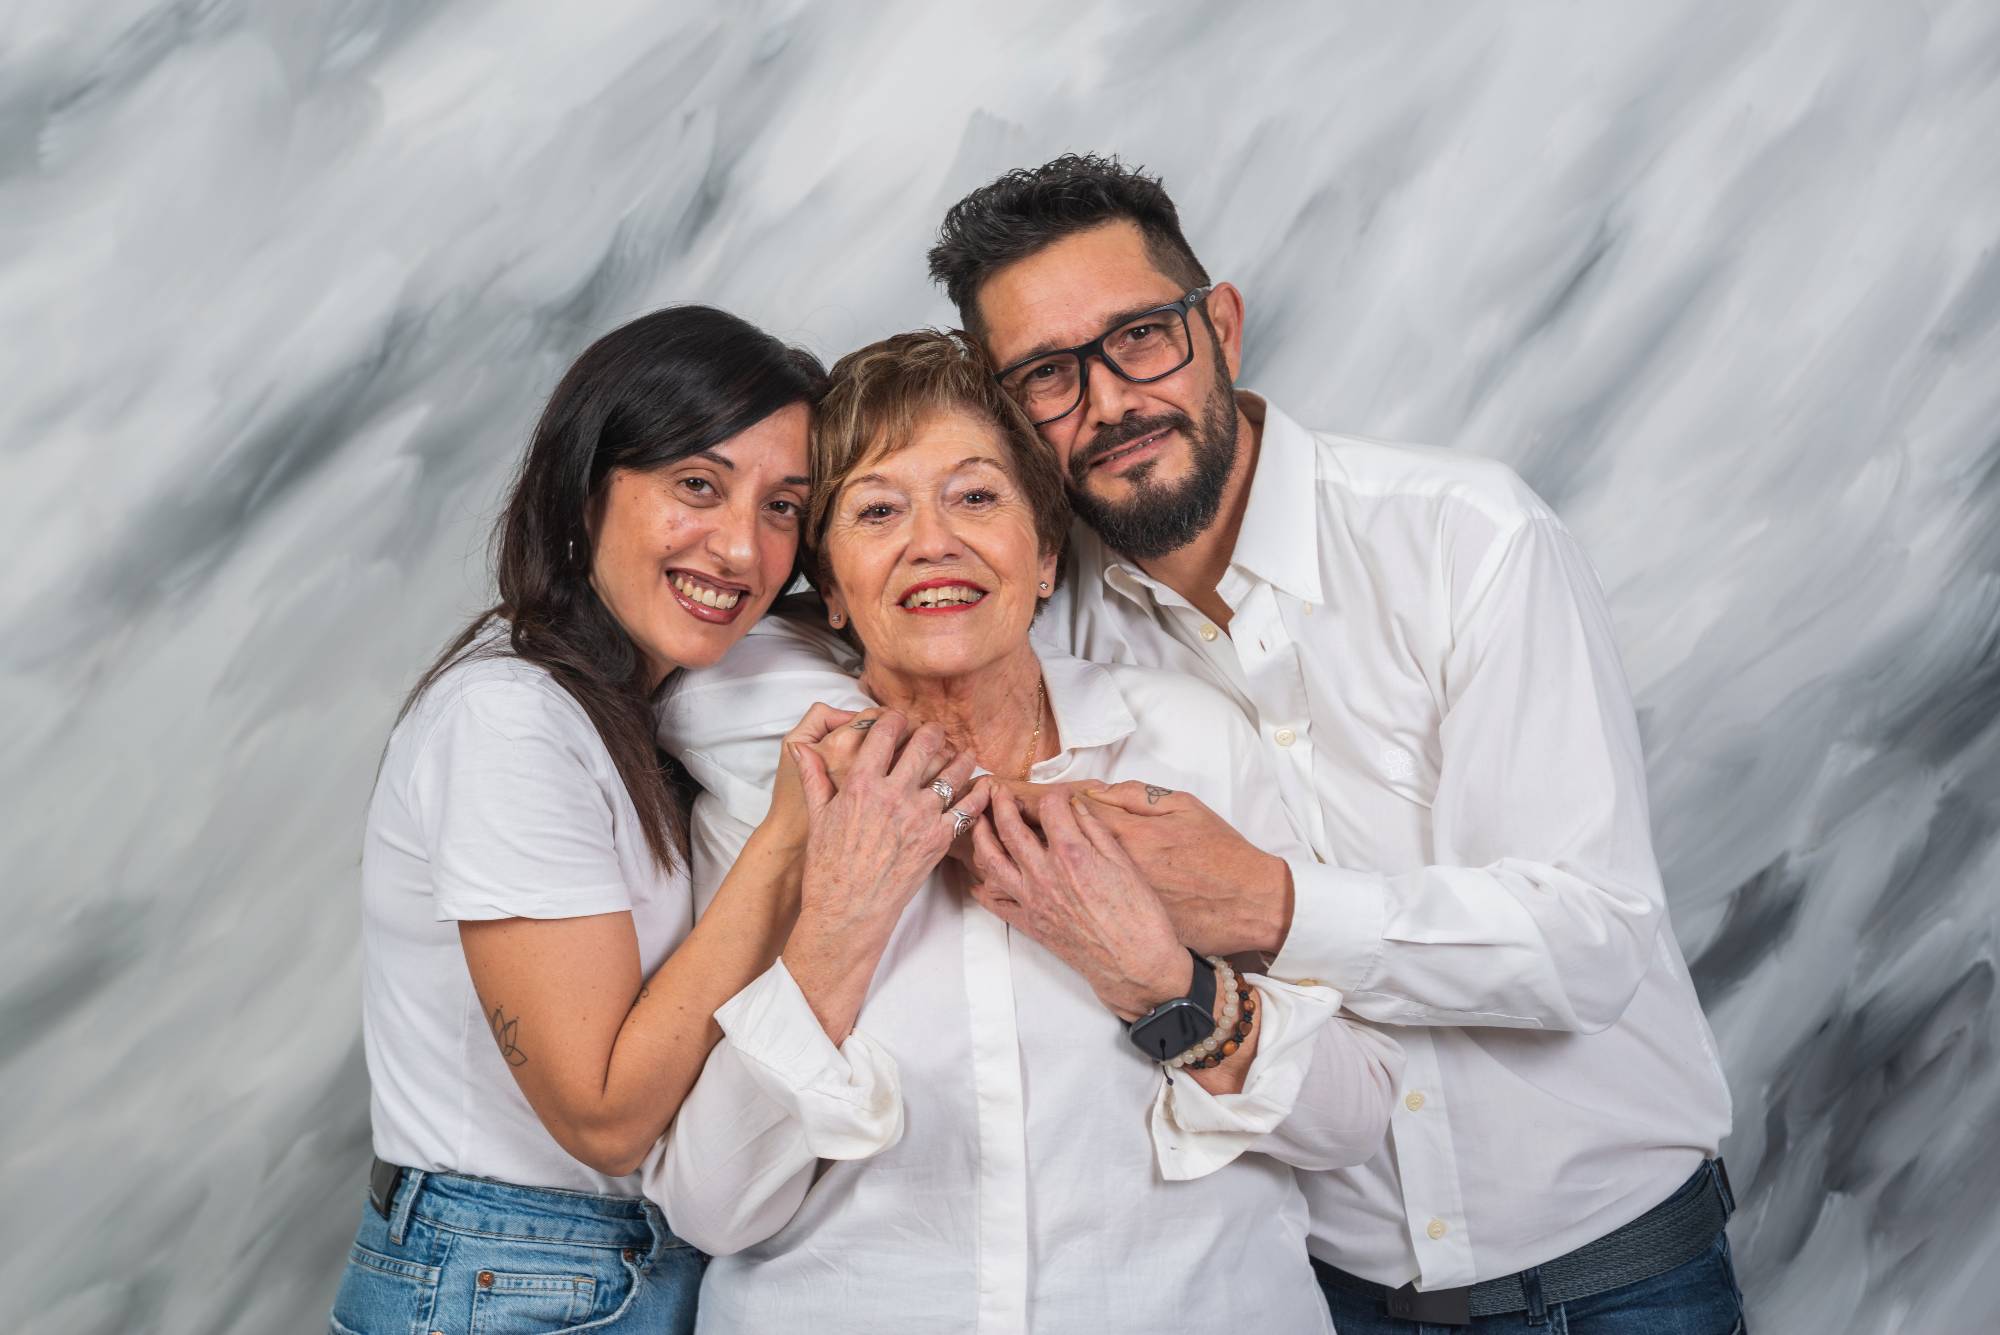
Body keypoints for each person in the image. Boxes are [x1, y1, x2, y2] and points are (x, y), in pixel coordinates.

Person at [668, 155, 1744, 1332]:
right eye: (1047, 374)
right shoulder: (896, 686)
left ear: (1218, 323)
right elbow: (760, 633)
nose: (1110, 399)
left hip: (1602, 1267)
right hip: (1330, 1286)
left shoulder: (1463, 541)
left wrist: (1255, 909)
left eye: (1138, 337)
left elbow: (1589, 944)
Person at [642, 329, 1402, 1333]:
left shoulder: (1187, 743)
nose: (932, 542)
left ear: (1044, 555)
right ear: (828, 585)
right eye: (877, 510)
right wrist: (838, 925)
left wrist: (1157, 981)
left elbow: (1351, 1118)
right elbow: (709, 1206)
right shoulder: (770, 798)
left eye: (975, 496)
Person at [329, 307, 858, 1335]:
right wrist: (790, 841)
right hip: (507, 1273)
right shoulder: (508, 720)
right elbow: (603, 1116)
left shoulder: (635, 711)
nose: (741, 546)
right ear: (585, 488)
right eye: (695, 486)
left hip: (598, 1271)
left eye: (782, 507)